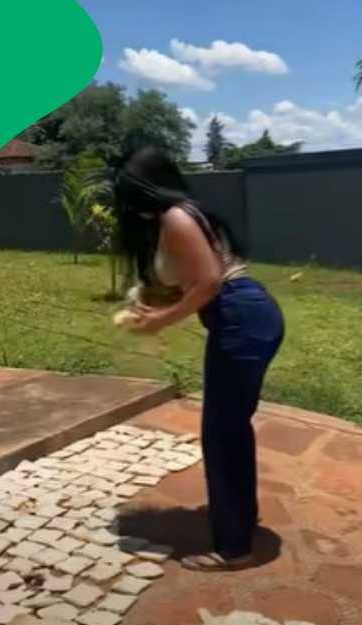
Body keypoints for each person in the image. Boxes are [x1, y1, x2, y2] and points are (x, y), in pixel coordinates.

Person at [113, 146, 285, 571]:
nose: (129, 205)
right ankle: (236, 517)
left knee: (222, 434)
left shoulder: (176, 216)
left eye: (132, 193)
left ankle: (235, 547)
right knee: (229, 430)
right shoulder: (185, 212)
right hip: (245, 314)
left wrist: (161, 322)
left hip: (240, 317)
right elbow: (198, 279)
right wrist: (155, 304)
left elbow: (208, 282)